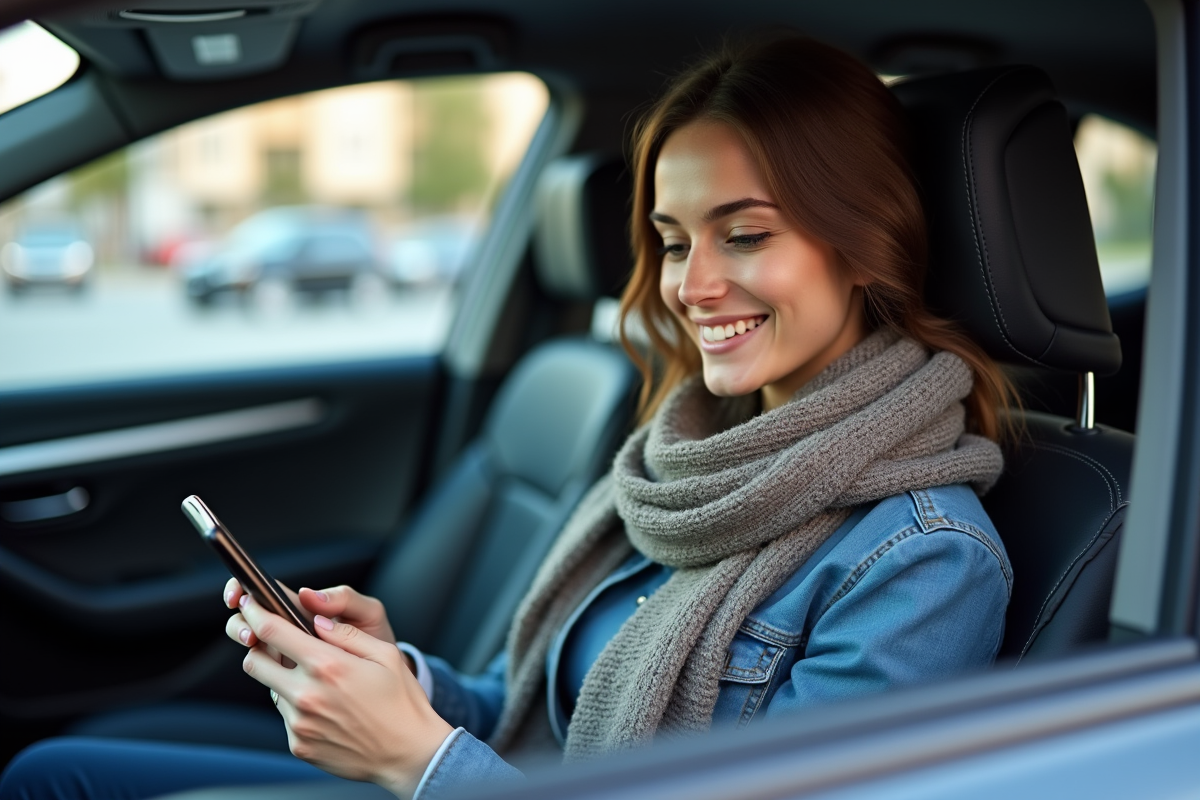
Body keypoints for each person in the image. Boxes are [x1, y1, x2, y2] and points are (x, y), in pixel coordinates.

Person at [0, 35, 1015, 800]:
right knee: (58, 767)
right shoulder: (683, 460)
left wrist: (419, 756)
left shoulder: (924, 557)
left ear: (865, 241)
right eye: (669, 242)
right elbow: (538, 711)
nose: (693, 285)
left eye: (742, 234)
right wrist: (401, 676)